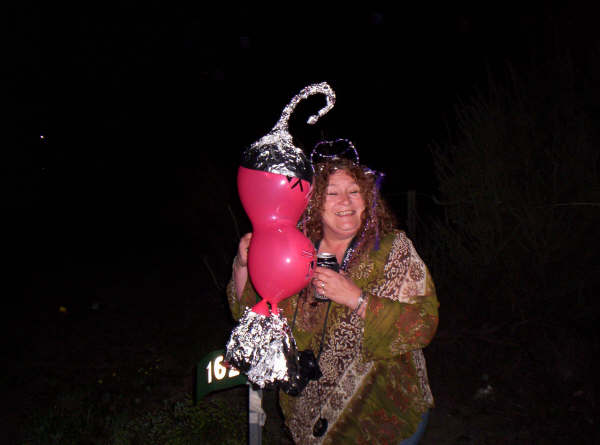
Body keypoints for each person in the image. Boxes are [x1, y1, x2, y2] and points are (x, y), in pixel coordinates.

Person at [227, 156, 439, 444]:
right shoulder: (293, 250)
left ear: (367, 198)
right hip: (308, 418)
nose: (346, 201)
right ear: (314, 202)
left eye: (354, 191)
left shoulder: (393, 250)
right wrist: (243, 264)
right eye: (332, 193)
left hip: (383, 414)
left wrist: (357, 299)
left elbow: (423, 324)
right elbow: (252, 314)